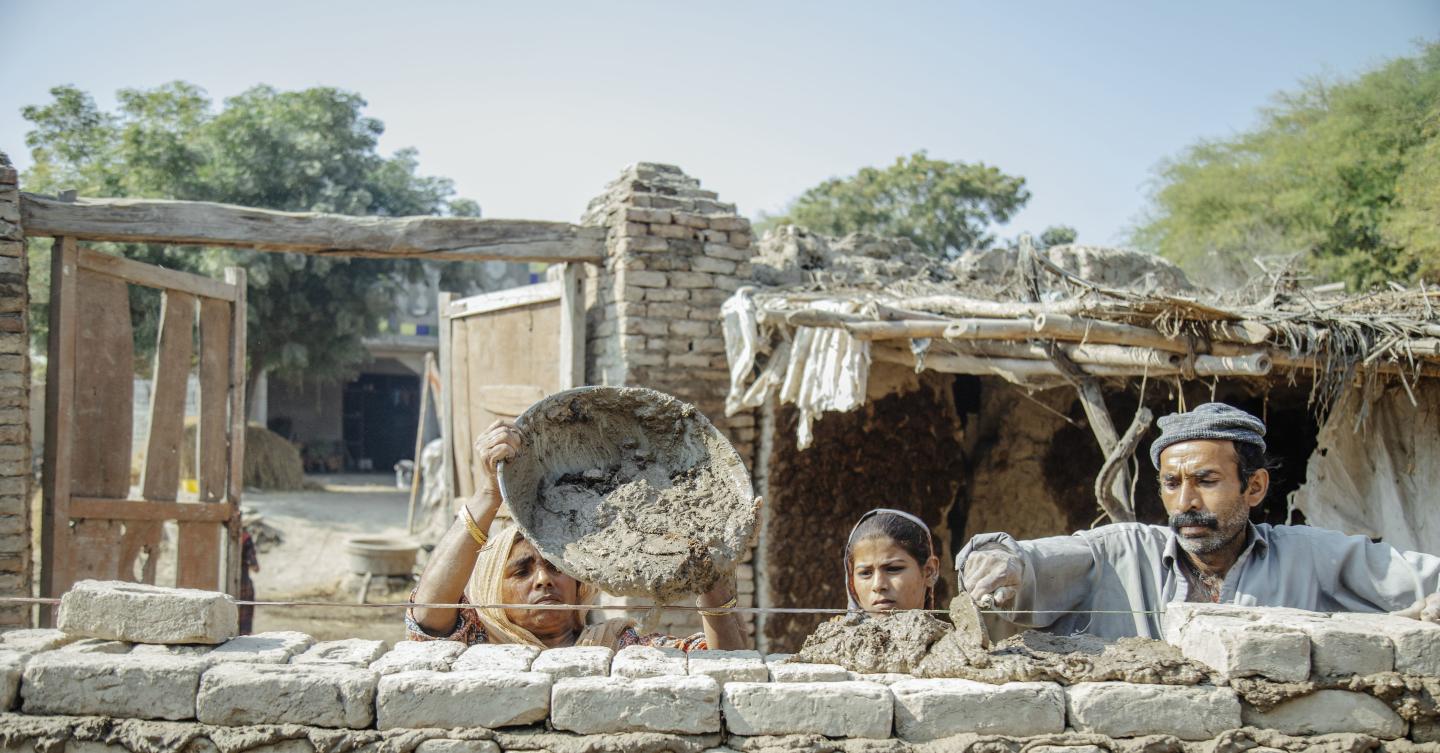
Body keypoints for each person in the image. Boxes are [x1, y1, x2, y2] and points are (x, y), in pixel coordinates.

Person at [956, 402, 1440, 640]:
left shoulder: (1313, 555)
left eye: (1206, 481)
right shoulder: (1120, 551)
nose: (1185, 501)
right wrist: (999, 560)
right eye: (1171, 483)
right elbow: (1029, 561)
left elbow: (1423, 581)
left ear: (1254, 488)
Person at [407, 420, 746, 651]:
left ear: (581, 582)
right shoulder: (475, 644)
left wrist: (710, 568)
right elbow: (426, 617)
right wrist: (487, 496)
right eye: (521, 570)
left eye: (556, 566)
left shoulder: (619, 647)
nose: (543, 580)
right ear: (492, 588)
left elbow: (722, 667)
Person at [844, 509, 941, 615]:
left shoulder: (954, 632)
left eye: (893, 569)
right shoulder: (833, 632)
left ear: (929, 571)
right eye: (865, 573)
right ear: (851, 582)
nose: (878, 585)